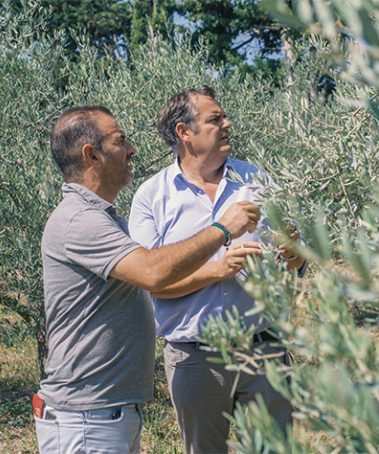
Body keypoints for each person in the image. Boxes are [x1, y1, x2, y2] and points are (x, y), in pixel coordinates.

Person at [34, 105, 261, 454]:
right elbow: (153, 272)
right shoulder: (79, 221)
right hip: (86, 417)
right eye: (120, 141)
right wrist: (222, 229)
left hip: (104, 411)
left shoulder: (102, 218)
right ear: (91, 155)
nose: (131, 149)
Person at [129, 87, 306, 454]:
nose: (228, 124)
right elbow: (152, 283)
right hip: (195, 359)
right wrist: (217, 269)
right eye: (215, 119)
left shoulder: (256, 181)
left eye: (224, 117)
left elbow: (294, 265)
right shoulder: (152, 196)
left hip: (264, 348)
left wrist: (294, 256)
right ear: (184, 132)